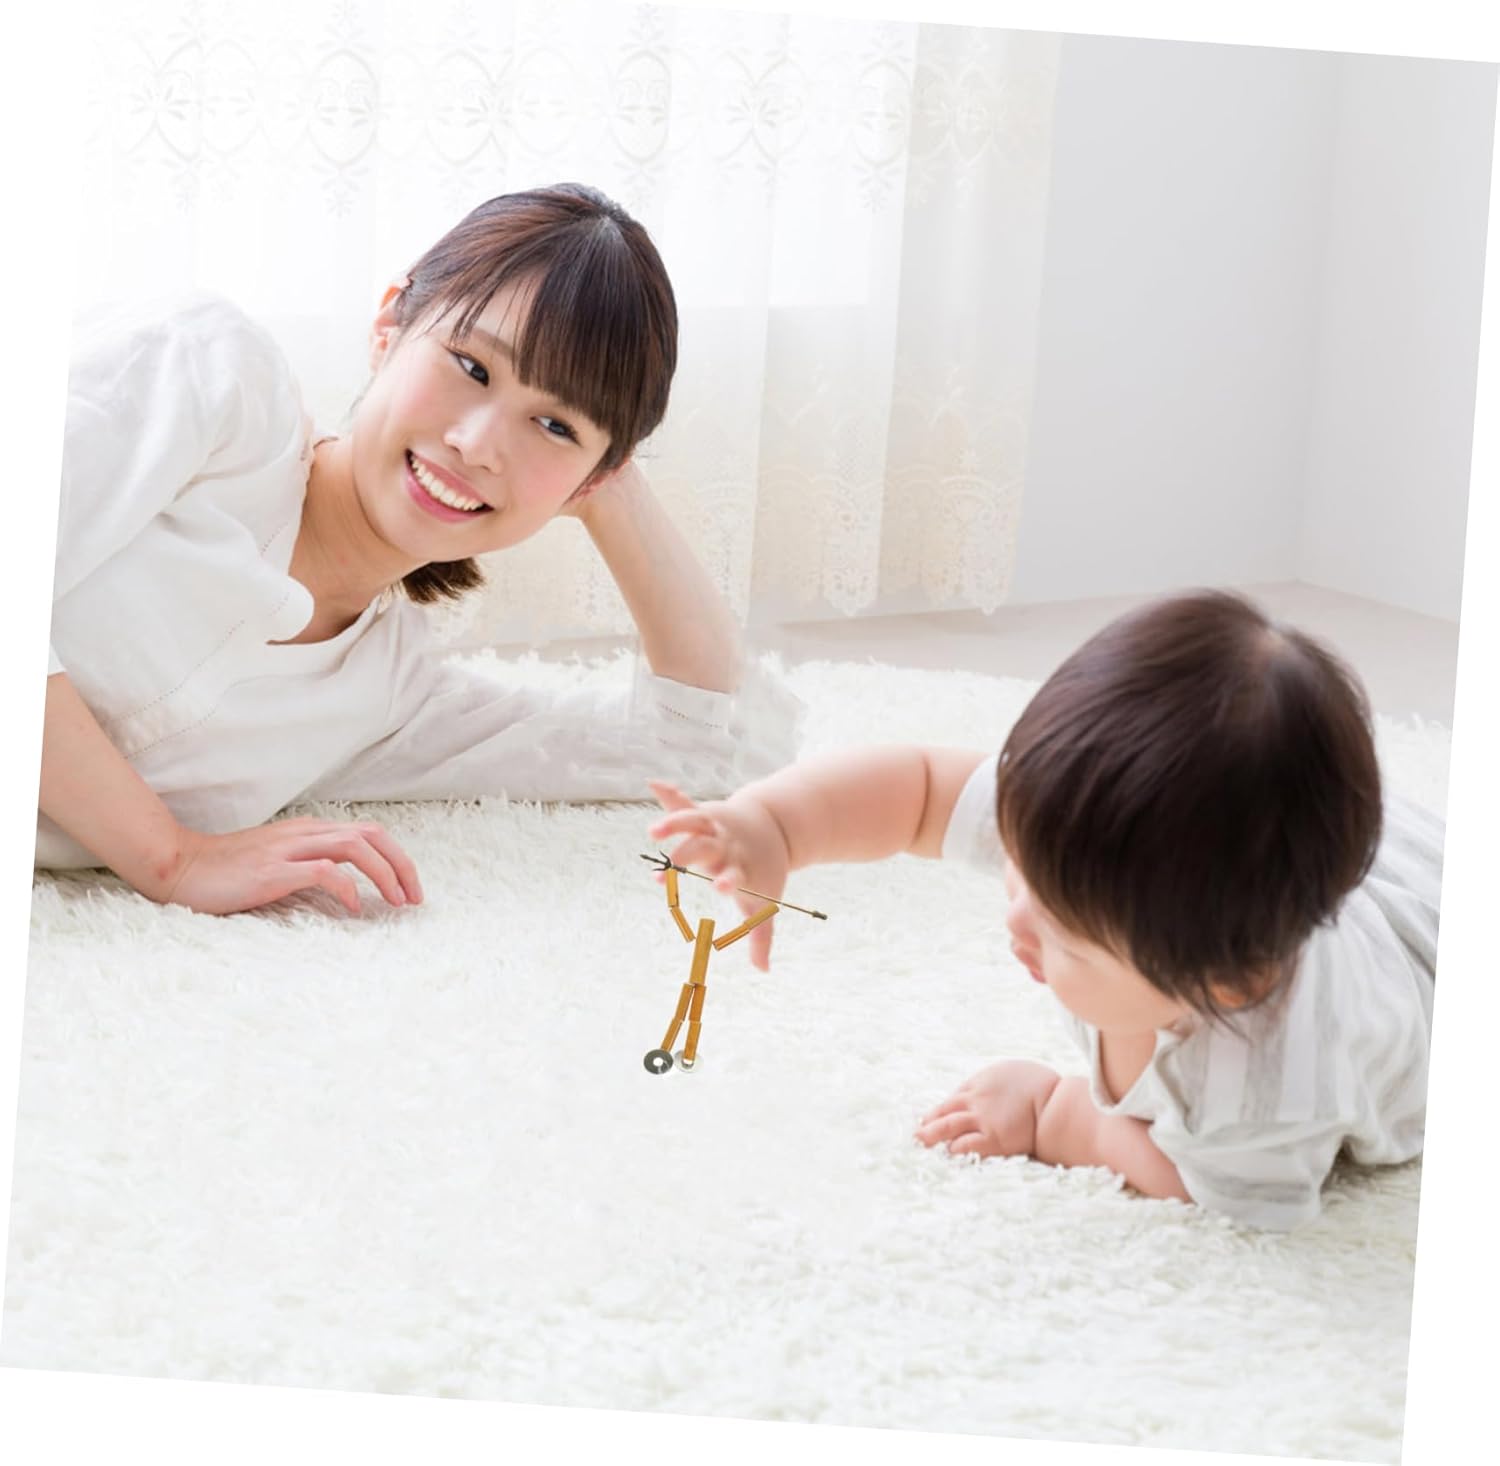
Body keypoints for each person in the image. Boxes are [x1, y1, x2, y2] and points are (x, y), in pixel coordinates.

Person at [39, 183, 800, 916]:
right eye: (472, 367)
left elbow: (711, 748)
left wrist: (611, 489)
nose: (477, 444)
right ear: (390, 326)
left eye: (555, 426)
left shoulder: (390, 695)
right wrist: (173, 857)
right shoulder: (213, 375)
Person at [647, 591, 1442, 1230]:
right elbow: (920, 787)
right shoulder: (1082, 831)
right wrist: (776, 826)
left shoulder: (1261, 1090)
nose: (1017, 921)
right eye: (1018, 872)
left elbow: (1207, 1190)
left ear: (1224, 985)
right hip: (1386, 858)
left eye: (1069, 940)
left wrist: (1056, 1112)